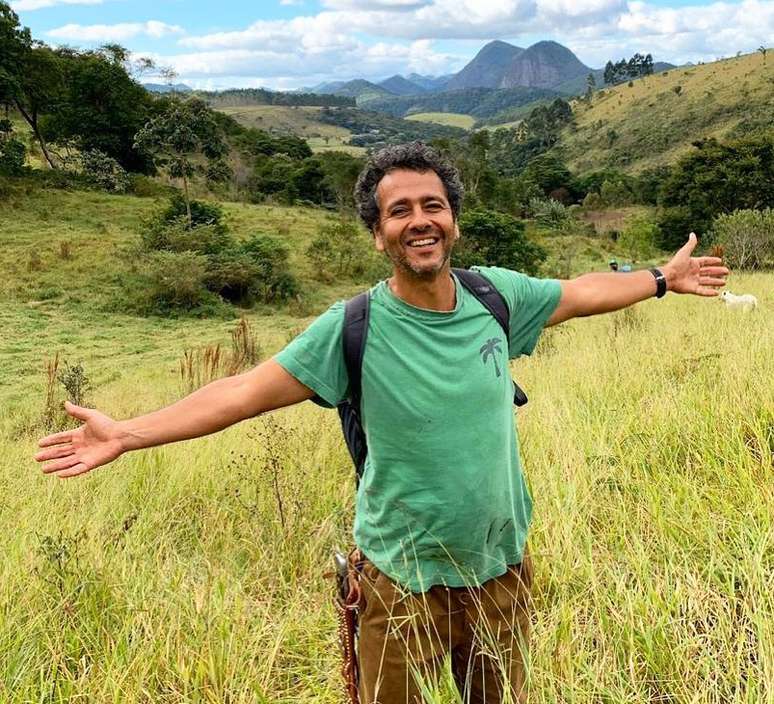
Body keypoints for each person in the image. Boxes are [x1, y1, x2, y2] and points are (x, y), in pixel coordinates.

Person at [35, 142, 729, 703]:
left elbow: (580, 292)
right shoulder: (352, 328)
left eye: (433, 205)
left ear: (453, 221)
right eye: (400, 211)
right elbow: (242, 391)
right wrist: (128, 432)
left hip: (500, 569)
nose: (420, 220)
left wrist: (660, 280)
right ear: (378, 234)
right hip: (401, 582)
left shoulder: (496, 296)